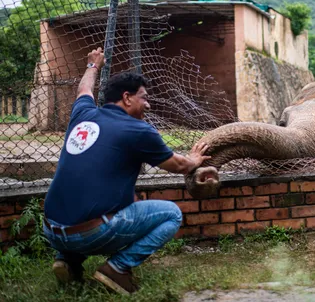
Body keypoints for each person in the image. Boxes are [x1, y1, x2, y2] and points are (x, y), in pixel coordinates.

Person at [43, 47, 210, 295]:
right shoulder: (138, 130)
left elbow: (84, 90)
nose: (149, 104)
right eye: (144, 97)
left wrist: (93, 65)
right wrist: (195, 158)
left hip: (51, 230)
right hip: (90, 234)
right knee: (171, 214)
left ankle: (67, 260)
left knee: (104, 202)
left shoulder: (83, 114)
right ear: (127, 98)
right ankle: (117, 269)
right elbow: (180, 166)